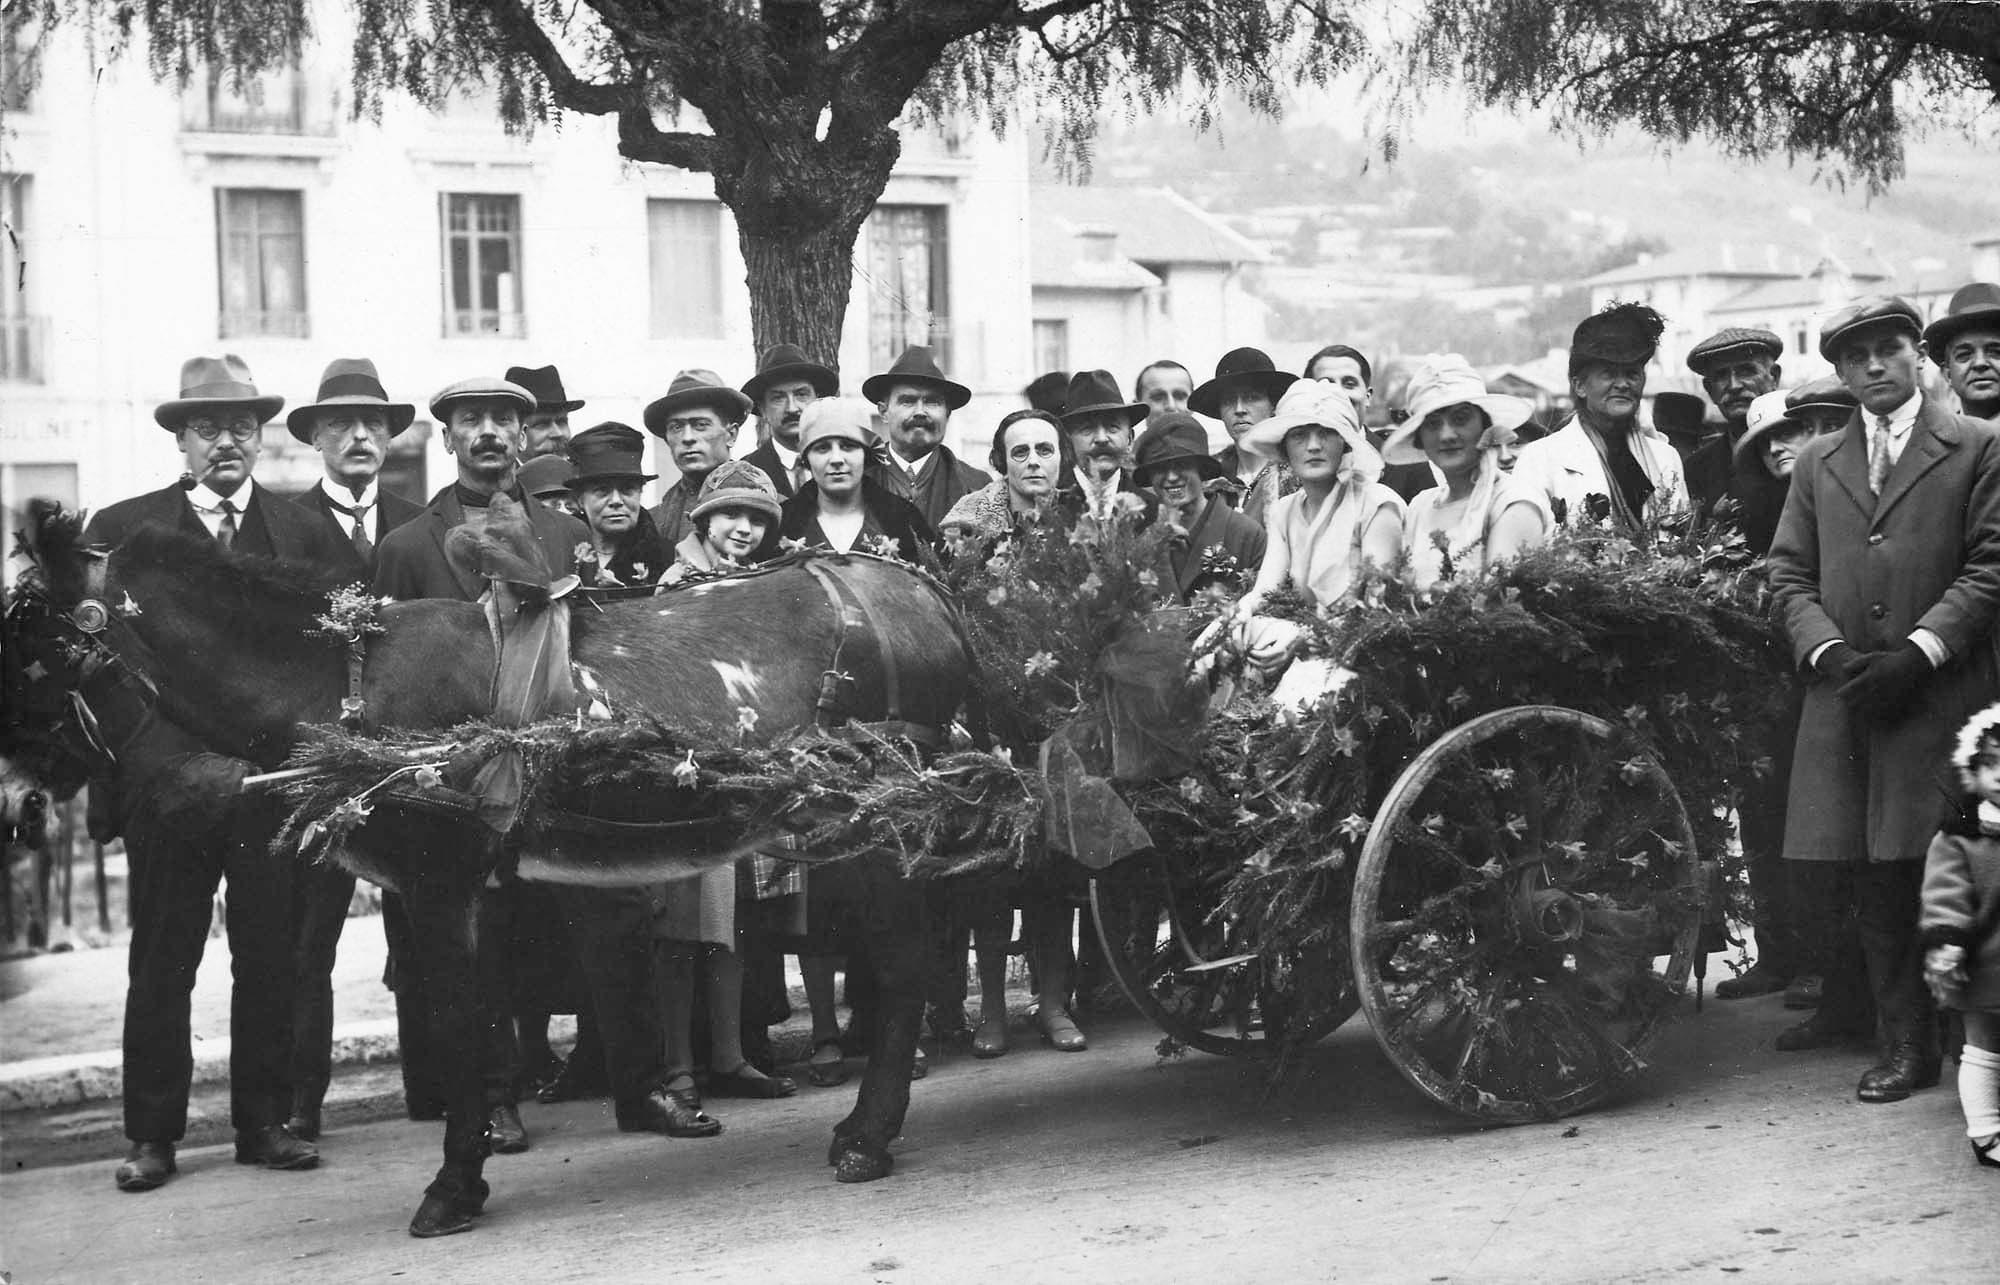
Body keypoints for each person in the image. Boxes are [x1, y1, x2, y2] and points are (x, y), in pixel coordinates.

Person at [86, 355, 344, 1191]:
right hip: (170, 789)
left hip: (272, 788)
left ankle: (263, 1123)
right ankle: (152, 1136)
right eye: (207, 427)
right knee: (164, 957)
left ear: (260, 434)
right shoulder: (121, 531)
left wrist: (289, 765)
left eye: (240, 425)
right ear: (180, 440)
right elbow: (104, 673)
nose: (225, 441)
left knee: (271, 953)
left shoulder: (306, 532)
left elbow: (337, 659)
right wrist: (180, 767)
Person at [1766, 294, 2000, 1104]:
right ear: (1837, 369)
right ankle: (1904, 1043)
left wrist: (1919, 650)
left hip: (1941, 694)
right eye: (1855, 354)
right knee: (1873, 877)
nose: (1874, 364)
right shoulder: (1816, 462)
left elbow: (1990, 566)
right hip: (1850, 699)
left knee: (1953, 865)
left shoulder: (1975, 445)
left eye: (1890, 348)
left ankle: (1972, 1037)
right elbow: (1787, 572)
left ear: (1919, 358)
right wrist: (1828, 650)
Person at [374, 374, 592, 1151]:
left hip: (554, 762)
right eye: (473, 421)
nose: (490, 432)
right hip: (454, 781)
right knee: (479, 935)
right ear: (448, 438)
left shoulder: (564, 533)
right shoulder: (405, 547)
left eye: (505, 419)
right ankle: (497, 1094)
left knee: (578, 915)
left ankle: (626, 1081)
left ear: (526, 437)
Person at [283, 357, 425, 1143]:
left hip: (408, 752)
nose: (360, 434)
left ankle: (431, 1089)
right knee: (309, 937)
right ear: (316, 438)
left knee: (425, 925)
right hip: (322, 758)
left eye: (374, 421)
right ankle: (305, 1103)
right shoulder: (284, 527)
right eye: (341, 422)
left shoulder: (418, 521)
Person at [1230, 379, 1406, 672]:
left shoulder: (1377, 505)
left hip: (1366, 656)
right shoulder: (1285, 511)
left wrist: (1302, 638)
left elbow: (1375, 608)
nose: (1313, 446)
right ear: (1284, 449)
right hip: (1309, 644)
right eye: (1300, 436)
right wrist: (1238, 613)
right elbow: (1265, 591)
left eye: (1326, 433)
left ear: (1344, 443)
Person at [1378, 354, 1549, 594]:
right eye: (1433, 424)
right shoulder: (1420, 506)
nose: (1447, 435)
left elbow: (1501, 611)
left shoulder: (1513, 503)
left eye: (1460, 419)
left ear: (1485, 426)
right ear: (1419, 439)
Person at [1516, 303, 1688, 531]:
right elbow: (1529, 550)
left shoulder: (1666, 458)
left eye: (1632, 374)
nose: (1623, 384)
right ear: (1579, 386)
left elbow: (1682, 543)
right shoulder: (1540, 459)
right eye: (1609, 374)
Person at [1922, 703, 2000, 1171]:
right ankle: (1986, 1133)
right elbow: (1944, 894)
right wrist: (1948, 940)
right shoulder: (1959, 837)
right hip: (1984, 964)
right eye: (1992, 764)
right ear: (1972, 772)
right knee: (1984, 1046)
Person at [779, 397, 940, 566]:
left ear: (866, 453)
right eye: (822, 448)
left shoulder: (904, 519)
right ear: (807, 458)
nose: (836, 459)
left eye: (848, 446)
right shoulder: (783, 522)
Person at [1131, 410, 1266, 603]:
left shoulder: (1247, 535)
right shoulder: (1144, 544)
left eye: (1182, 465)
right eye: (1159, 468)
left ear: (1201, 470)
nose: (1171, 477)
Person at [865, 344, 990, 529]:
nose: (920, 412)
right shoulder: (856, 479)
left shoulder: (978, 487)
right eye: (907, 401)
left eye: (932, 402)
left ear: (947, 414)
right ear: (884, 412)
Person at [644, 369, 755, 547]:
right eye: (676, 427)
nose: (687, 437)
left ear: (731, 435)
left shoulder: (765, 505)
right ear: (666, 440)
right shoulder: (653, 522)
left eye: (701, 425)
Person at [1307, 343, 1430, 503]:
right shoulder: (1296, 463)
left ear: (1367, 396)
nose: (1339, 393)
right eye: (1327, 383)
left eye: (1349, 384)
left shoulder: (1406, 463)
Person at [1684, 328, 1785, 519]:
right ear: (1709, 390)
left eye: (1746, 371)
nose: (1734, 385)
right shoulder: (1696, 469)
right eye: (1721, 375)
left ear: (1774, 377)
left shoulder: (1803, 447)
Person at [1192, 347, 1297, 526]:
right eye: (1229, 401)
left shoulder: (1295, 473)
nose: (1239, 409)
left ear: (1273, 406)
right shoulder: (1208, 477)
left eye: (1251, 398)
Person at [941, 408, 1074, 540]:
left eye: (1045, 451)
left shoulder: (1085, 515)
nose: (1033, 462)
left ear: (1062, 456)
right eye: (1020, 452)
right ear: (1002, 460)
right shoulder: (963, 527)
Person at [570, 422, 668, 585]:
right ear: (580, 499)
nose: (616, 501)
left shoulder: (664, 557)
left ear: (640, 493)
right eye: (602, 490)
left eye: (627, 489)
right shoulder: (560, 551)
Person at [741, 343, 840, 498]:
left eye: (801, 394)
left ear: (817, 401)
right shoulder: (746, 474)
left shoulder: (845, 463)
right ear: (763, 410)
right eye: (778, 398)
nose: (792, 408)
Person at [1060, 369, 1150, 520]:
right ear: (1068, 442)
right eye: (1087, 429)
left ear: (1129, 439)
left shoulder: (1149, 509)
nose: (1101, 439)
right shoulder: (1051, 504)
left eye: (1112, 427)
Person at [1923, 282, 2000, 424]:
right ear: (1947, 373)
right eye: (1964, 355)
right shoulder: (1935, 443)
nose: (1980, 363)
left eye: (1995, 352)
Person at [506, 364, 586, 461]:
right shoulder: (498, 475)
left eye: (562, 422)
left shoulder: (578, 473)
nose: (558, 433)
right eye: (542, 424)